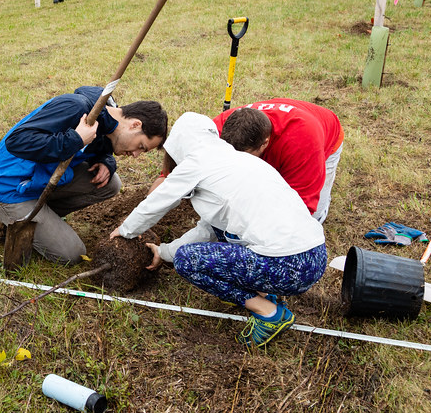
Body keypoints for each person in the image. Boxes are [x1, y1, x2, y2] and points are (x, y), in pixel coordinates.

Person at [111, 112, 327, 349]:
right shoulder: (237, 161)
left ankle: (269, 313)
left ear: (179, 145)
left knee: (186, 261)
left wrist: (126, 230)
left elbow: (159, 201)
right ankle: (265, 293)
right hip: (315, 257)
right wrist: (163, 252)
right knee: (220, 238)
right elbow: (209, 229)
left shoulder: (197, 161)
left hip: (286, 264)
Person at [0, 87, 168, 265]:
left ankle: (43, 216)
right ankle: (7, 216)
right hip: (9, 185)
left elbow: (98, 149)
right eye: (141, 146)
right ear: (135, 125)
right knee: (71, 254)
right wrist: (75, 139)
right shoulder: (76, 108)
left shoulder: (108, 128)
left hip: (38, 181)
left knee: (110, 183)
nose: (136, 155)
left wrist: (107, 162)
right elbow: (17, 141)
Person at [152, 99, 343, 223]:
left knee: (311, 218)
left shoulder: (302, 143)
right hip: (277, 136)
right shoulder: (219, 128)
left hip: (326, 138)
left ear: (264, 144)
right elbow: (180, 164)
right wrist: (164, 182)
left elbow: (303, 209)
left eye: (245, 157)